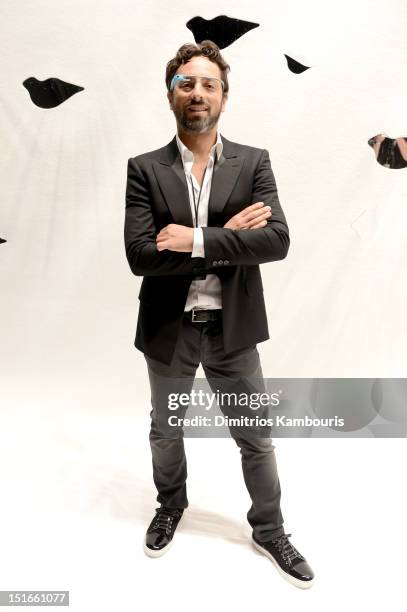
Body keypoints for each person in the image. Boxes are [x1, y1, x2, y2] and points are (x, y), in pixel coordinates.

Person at [124, 40, 314, 589]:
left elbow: (276, 241)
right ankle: (171, 504)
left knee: (255, 435)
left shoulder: (254, 162)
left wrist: (195, 239)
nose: (197, 92)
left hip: (233, 331)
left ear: (224, 97)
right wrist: (233, 236)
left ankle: (269, 527)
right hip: (169, 328)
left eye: (209, 84)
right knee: (167, 430)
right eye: (187, 83)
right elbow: (139, 255)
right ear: (171, 96)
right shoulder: (144, 168)